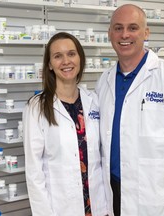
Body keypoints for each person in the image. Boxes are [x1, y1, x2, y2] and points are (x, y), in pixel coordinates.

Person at [95, 4, 164, 216]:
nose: (125, 34)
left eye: (133, 27)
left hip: (158, 198)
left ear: (146, 32)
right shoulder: (104, 81)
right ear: (110, 33)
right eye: (118, 28)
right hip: (115, 193)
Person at [23, 32, 111, 216]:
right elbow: (34, 172)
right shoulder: (36, 107)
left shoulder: (94, 101)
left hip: (98, 205)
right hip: (61, 208)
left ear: (80, 58)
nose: (66, 61)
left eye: (71, 54)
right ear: (49, 64)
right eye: (57, 56)